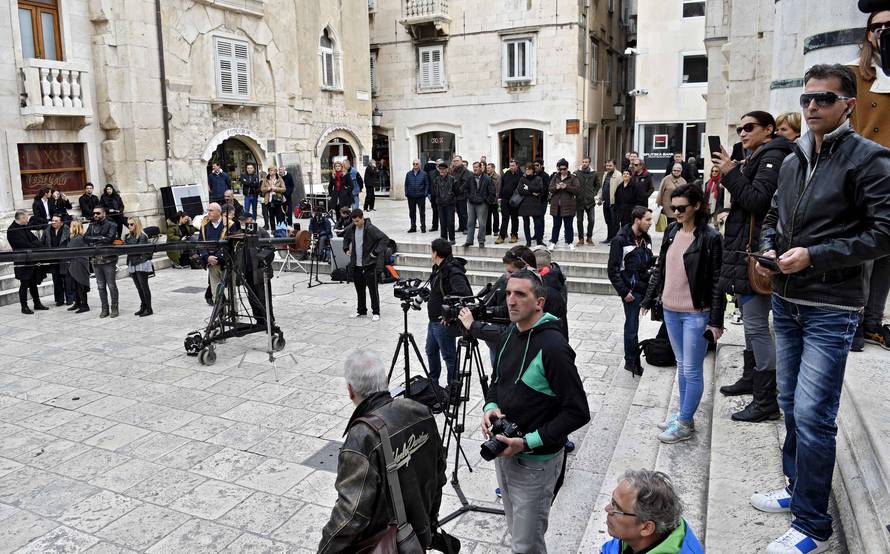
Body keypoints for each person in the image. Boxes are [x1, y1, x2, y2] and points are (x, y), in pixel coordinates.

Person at [752, 63, 890, 554]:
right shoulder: (794, 158)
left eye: (824, 99)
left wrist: (814, 255)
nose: (812, 106)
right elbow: (771, 216)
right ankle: (796, 490)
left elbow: (884, 234)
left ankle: (812, 524)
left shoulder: (870, 159)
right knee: (790, 406)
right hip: (787, 303)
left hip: (831, 307)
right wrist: (769, 250)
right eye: (807, 97)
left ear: (849, 105)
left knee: (814, 415)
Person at [481, 269, 590, 553]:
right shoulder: (509, 334)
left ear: (539, 302)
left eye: (520, 294)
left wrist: (527, 442)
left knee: (526, 545)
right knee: (518, 534)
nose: (511, 301)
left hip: (537, 464)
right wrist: (491, 406)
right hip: (505, 454)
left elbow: (578, 412)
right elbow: (497, 381)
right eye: (508, 294)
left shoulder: (554, 348)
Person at [318, 350, 448, 553]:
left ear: (350, 390)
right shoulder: (420, 411)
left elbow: (351, 515)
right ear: (386, 380)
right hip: (416, 539)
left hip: (384, 546)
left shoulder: (362, 437)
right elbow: (438, 475)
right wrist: (428, 526)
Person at [713, 110, 793, 423]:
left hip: (758, 255)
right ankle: (751, 377)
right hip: (747, 254)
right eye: (739, 128)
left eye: (749, 127)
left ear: (769, 129)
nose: (742, 133)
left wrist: (732, 173)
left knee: (758, 325)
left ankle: (766, 400)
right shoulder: (758, 156)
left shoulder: (773, 156)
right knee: (750, 322)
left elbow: (758, 201)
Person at [642, 184, 724, 444]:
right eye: (672, 208)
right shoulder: (671, 230)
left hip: (696, 313)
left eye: (681, 208)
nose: (676, 212)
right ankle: (682, 415)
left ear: (697, 206)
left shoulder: (710, 237)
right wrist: (648, 297)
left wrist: (716, 320)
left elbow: (717, 281)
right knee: (681, 366)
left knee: (692, 369)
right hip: (670, 310)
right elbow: (660, 268)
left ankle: (686, 423)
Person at [850, 4, 890, 351]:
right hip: (866, 180)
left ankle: (874, 322)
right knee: (864, 255)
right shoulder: (853, 75)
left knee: (887, 258)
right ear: (868, 34)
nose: (885, 33)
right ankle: (855, 321)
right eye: (879, 27)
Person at [601, 470, 704, 554]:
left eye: (617, 508)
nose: (607, 509)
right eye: (612, 501)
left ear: (646, 528)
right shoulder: (629, 536)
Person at [608, 206, 654, 375]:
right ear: (637, 220)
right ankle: (631, 362)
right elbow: (613, 270)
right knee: (632, 328)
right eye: (648, 220)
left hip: (646, 289)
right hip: (631, 292)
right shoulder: (620, 240)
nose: (651, 223)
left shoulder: (646, 239)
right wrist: (624, 292)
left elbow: (647, 262)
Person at [427, 238, 472, 386]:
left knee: (449, 357)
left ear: (436, 253)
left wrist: (449, 314)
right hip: (433, 321)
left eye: (431, 251)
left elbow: (464, 293)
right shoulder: (439, 268)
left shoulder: (452, 271)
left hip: (443, 323)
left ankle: (453, 389)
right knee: (431, 351)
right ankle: (433, 385)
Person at [342, 209, 388, 321]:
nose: (356, 223)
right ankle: (361, 310)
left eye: (358, 221)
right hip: (356, 265)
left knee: (373, 289)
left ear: (362, 217)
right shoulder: (352, 228)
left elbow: (384, 239)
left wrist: (375, 252)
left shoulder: (370, 228)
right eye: (354, 221)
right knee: (359, 289)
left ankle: (376, 312)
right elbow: (345, 237)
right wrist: (346, 248)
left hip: (369, 264)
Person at [234, 213, 276, 326]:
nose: (242, 223)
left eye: (244, 220)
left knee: (264, 298)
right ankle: (259, 320)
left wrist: (261, 261)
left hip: (260, 272)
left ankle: (269, 321)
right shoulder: (239, 233)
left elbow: (271, 248)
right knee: (252, 298)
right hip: (247, 272)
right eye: (241, 221)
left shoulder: (261, 232)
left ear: (251, 220)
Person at [8, 210, 48, 314]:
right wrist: (34, 245)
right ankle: (24, 306)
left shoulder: (24, 227)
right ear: (21, 218)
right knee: (24, 284)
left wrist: (36, 245)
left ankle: (37, 303)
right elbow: (22, 245)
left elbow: (34, 239)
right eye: (26, 218)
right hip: (22, 262)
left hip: (31, 259)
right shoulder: (11, 230)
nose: (28, 220)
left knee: (33, 282)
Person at [84, 205, 120, 318]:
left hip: (109, 259)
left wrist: (96, 240)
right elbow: (85, 238)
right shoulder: (91, 225)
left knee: (111, 285)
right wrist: (101, 239)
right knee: (100, 286)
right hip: (95, 259)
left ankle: (114, 307)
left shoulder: (112, 225)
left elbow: (109, 239)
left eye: (98, 213)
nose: (95, 215)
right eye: (94, 213)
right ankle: (104, 308)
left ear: (104, 213)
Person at [199, 202, 236, 302]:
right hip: (211, 264)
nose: (208, 213)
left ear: (218, 212)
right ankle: (220, 317)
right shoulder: (204, 225)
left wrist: (218, 258)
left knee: (230, 295)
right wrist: (207, 257)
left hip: (226, 264)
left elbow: (232, 245)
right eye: (208, 210)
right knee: (216, 294)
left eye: (211, 211)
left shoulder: (229, 224)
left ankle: (234, 317)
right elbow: (200, 243)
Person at [42, 215, 73, 306]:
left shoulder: (67, 230)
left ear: (61, 222)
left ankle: (70, 298)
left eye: (56, 221)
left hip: (65, 258)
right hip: (53, 258)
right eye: (52, 220)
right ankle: (59, 300)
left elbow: (71, 243)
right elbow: (42, 242)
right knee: (56, 280)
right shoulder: (47, 230)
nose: (53, 222)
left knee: (67, 279)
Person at [125, 217, 153, 317]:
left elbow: (139, 250)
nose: (129, 226)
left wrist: (129, 248)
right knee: (138, 287)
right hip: (132, 263)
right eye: (128, 224)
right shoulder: (128, 236)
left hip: (141, 263)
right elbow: (127, 250)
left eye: (132, 224)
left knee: (144, 286)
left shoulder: (142, 236)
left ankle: (149, 308)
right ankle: (143, 306)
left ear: (137, 224)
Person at [464, 162, 494, 248]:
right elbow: (465, 189)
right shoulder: (470, 178)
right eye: (473, 167)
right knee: (470, 222)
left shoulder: (487, 178)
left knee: (482, 223)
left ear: (481, 168)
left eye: (476, 167)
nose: (475, 169)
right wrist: (469, 197)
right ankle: (469, 241)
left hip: (482, 203)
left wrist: (487, 201)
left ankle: (481, 240)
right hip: (471, 202)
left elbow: (492, 191)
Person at [518, 162, 546, 247]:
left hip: (535, 204)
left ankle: (539, 241)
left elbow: (540, 189)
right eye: (526, 169)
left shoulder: (538, 178)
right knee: (526, 224)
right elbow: (520, 190)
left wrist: (529, 188)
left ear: (533, 170)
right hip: (525, 204)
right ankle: (528, 241)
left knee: (538, 223)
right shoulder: (522, 179)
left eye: (529, 169)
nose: (527, 171)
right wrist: (533, 192)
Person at [574, 157, 600, 246]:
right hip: (579, 200)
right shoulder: (577, 173)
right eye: (583, 162)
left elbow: (598, 185)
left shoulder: (594, 173)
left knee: (592, 220)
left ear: (589, 163)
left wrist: (593, 193)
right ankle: (581, 239)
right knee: (579, 220)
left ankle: (589, 238)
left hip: (590, 201)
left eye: (586, 162)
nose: (584, 163)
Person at [66, 220, 90, 313]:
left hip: (79, 265)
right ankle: (77, 303)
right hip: (75, 264)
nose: (69, 228)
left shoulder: (78, 238)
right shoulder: (74, 237)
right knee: (76, 285)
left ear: (75, 227)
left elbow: (69, 251)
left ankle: (84, 305)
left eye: (71, 226)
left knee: (80, 285)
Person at [431, 161, 457, 244]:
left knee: (450, 222)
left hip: (450, 204)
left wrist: (450, 197)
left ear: (447, 170)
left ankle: (452, 239)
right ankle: (443, 239)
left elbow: (456, 191)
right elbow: (435, 191)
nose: (442, 171)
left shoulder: (452, 179)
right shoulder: (436, 180)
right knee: (442, 222)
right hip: (440, 203)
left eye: (443, 169)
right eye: (440, 169)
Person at [598, 159, 623, 243]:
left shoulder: (619, 175)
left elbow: (621, 189)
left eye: (610, 166)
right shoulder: (605, 174)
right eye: (607, 165)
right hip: (606, 202)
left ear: (614, 166)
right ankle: (609, 238)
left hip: (614, 203)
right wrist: (600, 198)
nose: (608, 167)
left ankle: (615, 240)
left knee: (615, 223)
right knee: (608, 221)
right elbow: (603, 187)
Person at [496, 159, 521, 244]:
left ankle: (514, 235)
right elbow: (502, 185)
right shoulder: (506, 173)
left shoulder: (520, 175)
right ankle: (502, 236)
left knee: (514, 218)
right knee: (504, 218)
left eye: (513, 165)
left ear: (517, 166)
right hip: (505, 200)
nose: (511, 167)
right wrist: (500, 197)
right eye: (510, 165)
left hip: (514, 200)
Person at [405, 159, 430, 233]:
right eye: (414, 164)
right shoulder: (408, 174)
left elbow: (427, 184)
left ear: (419, 165)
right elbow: (406, 184)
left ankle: (423, 227)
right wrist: (407, 193)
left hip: (421, 196)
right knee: (412, 212)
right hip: (411, 196)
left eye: (416, 164)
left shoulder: (424, 174)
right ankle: (413, 227)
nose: (415, 165)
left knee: (422, 212)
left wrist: (425, 193)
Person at [450, 155, 472, 233]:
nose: (455, 162)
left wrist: (459, 190)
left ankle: (466, 227)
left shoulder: (465, 171)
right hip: (455, 195)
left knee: (463, 213)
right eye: (454, 161)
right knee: (458, 212)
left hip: (462, 195)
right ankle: (461, 226)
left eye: (457, 161)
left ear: (461, 161)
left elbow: (466, 183)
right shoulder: (453, 171)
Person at [485, 162, 501, 238]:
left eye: (489, 168)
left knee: (496, 216)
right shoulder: (485, 176)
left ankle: (496, 230)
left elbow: (498, 188)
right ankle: (488, 230)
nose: (487, 169)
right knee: (487, 216)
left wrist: (497, 198)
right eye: (487, 168)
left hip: (495, 199)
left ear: (493, 168)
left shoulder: (498, 177)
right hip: (487, 199)